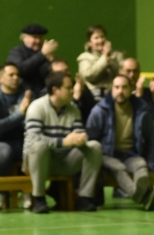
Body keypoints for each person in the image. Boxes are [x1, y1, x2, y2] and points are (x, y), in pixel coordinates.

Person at [23, 71, 102, 213]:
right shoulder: (36, 107)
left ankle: (85, 198)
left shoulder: (73, 109)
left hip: (65, 160)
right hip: (39, 162)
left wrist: (81, 139)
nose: (73, 91)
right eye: (68, 87)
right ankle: (39, 198)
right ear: (55, 90)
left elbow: (78, 135)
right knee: (39, 146)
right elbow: (33, 138)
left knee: (94, 146)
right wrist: (64, 142)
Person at [86, 75, 154, 211]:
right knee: (118, 168)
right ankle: (143, 197)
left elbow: (151, 138)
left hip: (131, 153)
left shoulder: (142, 110)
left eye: (124, 87)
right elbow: (91, 138)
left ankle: (144, 197)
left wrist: (152, 165)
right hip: (107, 154)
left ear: (131, 89)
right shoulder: (100, 110)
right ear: (112, 89)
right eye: (116, 87)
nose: (120, 91)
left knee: (142, 166)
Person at [0, 63, 32, 210]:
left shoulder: (27, 96)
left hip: (23, 141)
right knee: (4, 152)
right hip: (0, 142)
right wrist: (20, 114)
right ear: (0, 78)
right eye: (11, 75)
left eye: (17, 75)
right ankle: (0, 193)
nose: (16, 78)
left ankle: (27, 191)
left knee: (33, 149)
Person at [77, 24, 125, 102]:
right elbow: (89, 75)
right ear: (89, 43)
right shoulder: (84, 57)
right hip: (94, 98)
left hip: (117, 96)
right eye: (96, 38)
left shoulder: (117, 55)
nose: (100, 40)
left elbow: (122, 74)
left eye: (102, 37)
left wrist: (110, 59)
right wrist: (105, 58)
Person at [7, 24, 57, 97]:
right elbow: (20, 69)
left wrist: (52, 61)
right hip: (23, 94)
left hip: (44, 94)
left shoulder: (45, 53)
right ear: (24, 38)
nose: (38, 41)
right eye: (35, 37)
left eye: (40, 38)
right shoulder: (17, 52)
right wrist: (42, 54)